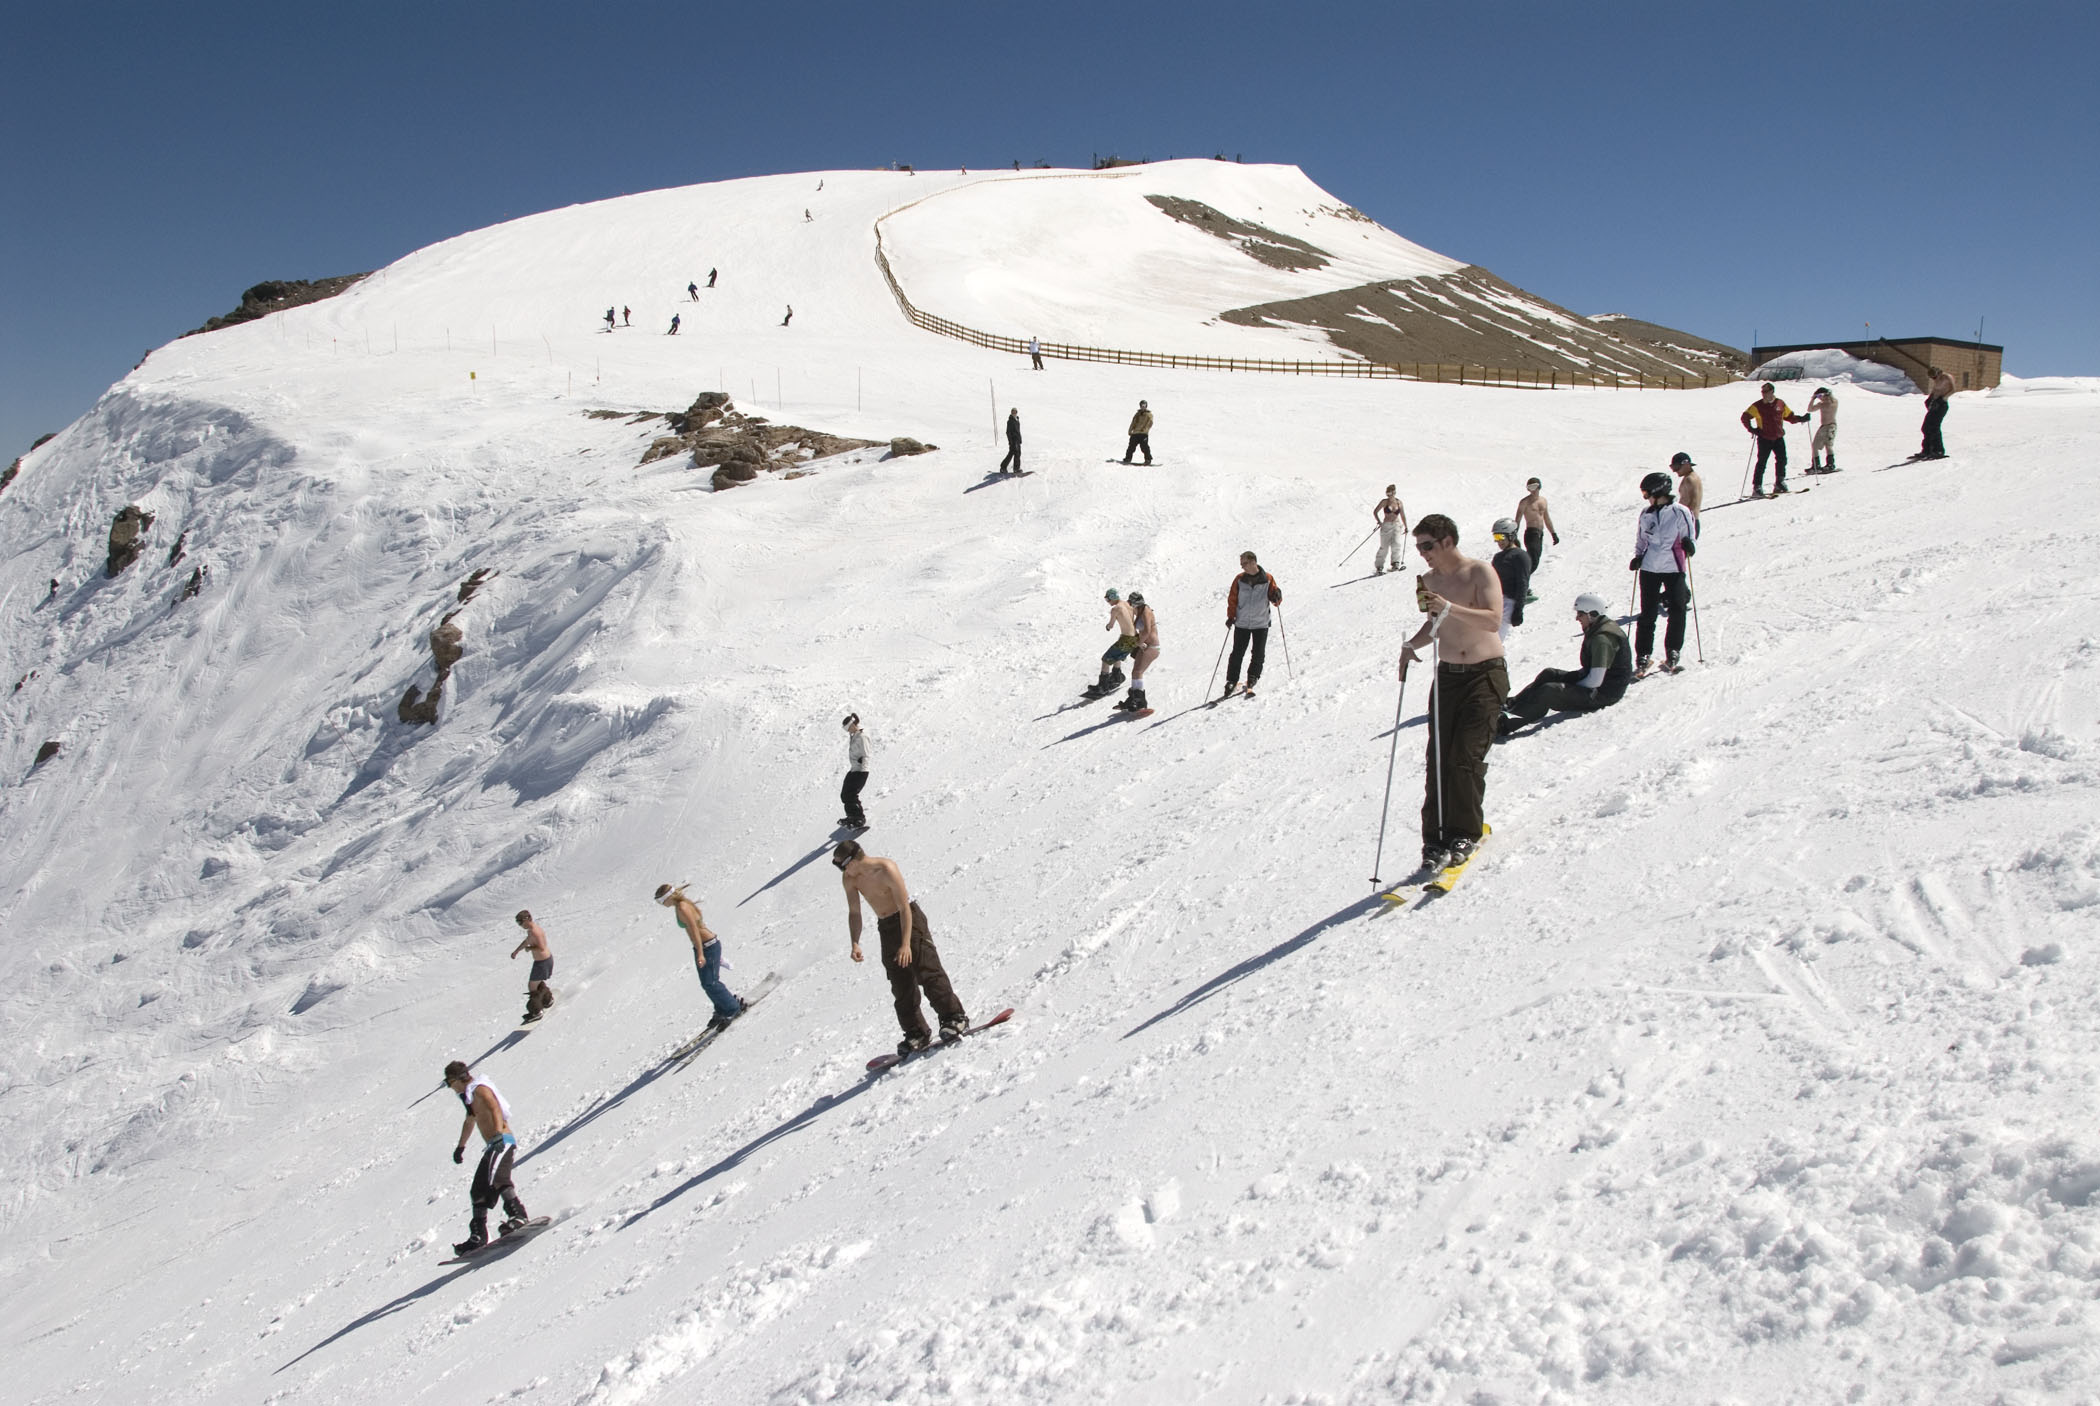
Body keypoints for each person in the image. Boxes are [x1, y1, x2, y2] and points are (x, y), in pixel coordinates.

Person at [1397, 514, 1506, 870]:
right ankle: (1436, 837)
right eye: (1418, 547)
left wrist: (1450, 608)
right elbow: (1434, 625)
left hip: (1484, 673)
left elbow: (1492, 619)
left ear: (1447, 541)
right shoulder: (1427, 580)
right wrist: (1411, 646)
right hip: (1447, 676)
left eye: (1427, 546)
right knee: (1438, 758)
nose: (1423, 553)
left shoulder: (1480, 572)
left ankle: (1465, 831)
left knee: (1465, 756)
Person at [833, 840, 968, 1054]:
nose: (842, 871)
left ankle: (954, 1017)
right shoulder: (850, 879)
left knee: (927, 970)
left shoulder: (886, 869)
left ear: (855, 859)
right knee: (899, 981)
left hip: (909, 919)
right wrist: (855, 941)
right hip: (886, 926)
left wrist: (906, 944)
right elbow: (855, 912)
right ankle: (916, 1032)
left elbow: (904, 907)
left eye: (843, 865)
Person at [1496, 594, 1633, 735]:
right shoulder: (1598, 627)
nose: (1577, 618)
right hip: (1598, 681)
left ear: (1592, 614)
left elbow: (1594, 681)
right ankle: (1512, 705)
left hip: (1605, 693)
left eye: (1580, 614)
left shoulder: (1602, 639)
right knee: (1549, 674)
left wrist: (1568, 688)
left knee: (1550, 691)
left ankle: (1505, 725)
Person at [443, 1060, 529, 1255]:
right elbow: (470, 1121)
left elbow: (495, 1108)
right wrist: (460, 1147)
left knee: (499, 1178)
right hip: (492, 1145)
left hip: (502, 1141)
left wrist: (498, 1133)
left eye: (449, 1083)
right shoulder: (469, 1096)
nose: (450, 1088)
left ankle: (518, 1215)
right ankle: (478, 1235)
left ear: (456, 1079)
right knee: (478, 1189)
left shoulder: (480, 1089)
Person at [1631, 471, 1697, 676]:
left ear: (1658, 491)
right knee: (1647, 613)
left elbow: (1690, 535)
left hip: (1673, 567)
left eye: (1647, 493)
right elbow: (1641, 539)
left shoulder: (1680, 512)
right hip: (1650, 568)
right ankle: (1643, 654)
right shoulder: (1646, 514)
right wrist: (1638, 556)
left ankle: (1673, 650)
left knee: (1677, 610)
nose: (1646, 497)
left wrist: (1689, 545)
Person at [655, 883, 745, 1029]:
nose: (661, 904)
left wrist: (701, 954)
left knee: (711, 982)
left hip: (707, 946)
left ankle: (732, 1008)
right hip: (704, 947)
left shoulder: (683, 907)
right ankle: (722, 1008)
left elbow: (695, 930)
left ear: (668, 898)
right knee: (707, 983)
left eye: (660, 901)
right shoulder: (681, 905)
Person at [1222, 551, 1282, 698]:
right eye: (1241, 564)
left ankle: (1253, 676)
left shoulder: (1267, 578)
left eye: (1245, 563)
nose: (1242, 567)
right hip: (1242, 622)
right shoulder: (1239, 579)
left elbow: (1275, 599)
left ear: (1253, 561)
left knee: (1258, 653)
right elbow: (1233, 599)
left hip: (1260, 622)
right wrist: (1231, 616)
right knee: (1237, 653)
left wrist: (1277, 596)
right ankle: (1231, 681)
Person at [1741, 381, 1808, 496]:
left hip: (1778, 437)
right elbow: (1745, 417)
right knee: (1762, 463)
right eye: (1762, 392)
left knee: (1782, 460)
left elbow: (1789, 417)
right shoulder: (1757, 406)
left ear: (1772, 392)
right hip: (1764, 438)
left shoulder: (1780, 404)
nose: (1763, 394)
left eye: (1766, 392)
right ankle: (1757, 487)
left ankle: (1780, 483)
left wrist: (1801, 419)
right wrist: (1751, 429)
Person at [1088, 588, 1137, 697]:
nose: (1108, 602)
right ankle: (1116, 676)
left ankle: (1103, 686)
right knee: (1117, 654)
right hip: (1134, 638)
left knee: (1106, 659)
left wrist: (1108, 626)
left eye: (1108, 599)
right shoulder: (1128, 604)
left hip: (1126, 639)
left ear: (1113, 597)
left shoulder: (1116, 609)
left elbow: (1111, 624)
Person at [510, 910, 555, 1023]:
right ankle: (547, 999)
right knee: (537, 983)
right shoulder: (531, 931)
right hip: (542, 962)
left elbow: (541, 948)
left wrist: (529, 949)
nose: (520, 925)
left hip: (543, 962)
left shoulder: (535, 932)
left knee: (532, 986)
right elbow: (527, 941)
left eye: (520, 923)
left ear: (526, 920)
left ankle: (536, 1011)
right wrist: (517, 951)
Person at [1490, 519, 1531, 641]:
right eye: (1495, 537)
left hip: (1509, 602)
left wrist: (1518, 609)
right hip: (1496, 601)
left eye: (1501, 536)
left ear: (1511, 536)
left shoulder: (1520, 556)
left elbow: (1522, 582)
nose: (1499, 541)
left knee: (1495, 639)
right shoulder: (1498, 557)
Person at [1118, 590, 1159, 713]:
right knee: (1135, 672)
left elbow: (1146, 631)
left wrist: (1140, 643)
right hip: (1144, 646)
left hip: (1151, 647)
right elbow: (1134, 629)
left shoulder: (1146, 611)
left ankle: (1140, 701)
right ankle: (1135, 698)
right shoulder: (1139, 612)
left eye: (1131, 602)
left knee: (1138, 671)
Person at [1514, 478, 1559, 573]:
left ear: (1539, 487)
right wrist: (1514, 535)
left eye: (1534, 487)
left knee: (1535, 560)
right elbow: (1518, 519)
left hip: (1540, 534)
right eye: (1530, 488)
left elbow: (1546, 518)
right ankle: (1519, 580)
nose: (1533, 490)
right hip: (1531, 533)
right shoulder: (1524, 502)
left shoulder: (1543, 501)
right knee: (1533, 559)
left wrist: (1553, 534)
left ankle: (1522, 580)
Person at [840, 713, 870, 829]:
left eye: (848, 729)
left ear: (852, 725)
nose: (848, 731)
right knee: (844, 795)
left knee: (851, 794)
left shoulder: (862, 737)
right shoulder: (854, 736)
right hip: (854, 769)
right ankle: (851, 816)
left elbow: (866, 753)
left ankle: (859, 818)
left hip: (861, 770)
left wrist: (862, 764)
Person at [1919, 366, 1955, 459]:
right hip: (1934, 404)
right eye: (1932, 378)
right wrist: (1930, 399)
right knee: (1925, 427)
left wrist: (1943, 399)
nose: (1933, 379)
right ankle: (1926, 450)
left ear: (1939, 373)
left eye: (1934, 377)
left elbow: (1953, 389)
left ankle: (1938, 450)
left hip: (1941, 405)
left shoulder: (1947, 377)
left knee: (1934, 427)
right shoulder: (1937, 381)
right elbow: (1935, 390)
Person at [1372, 485, 1409, 574]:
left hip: (1396, 525)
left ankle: (1395, 563)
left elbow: (1403, 515)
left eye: (1390, 493)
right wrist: (1379, 522)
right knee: (1384, 547)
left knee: (1396, 544)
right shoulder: (1384, 502)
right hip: (1386, 526)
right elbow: (1375, 511)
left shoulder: (1399, 502)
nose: (1388, 495)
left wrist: (1406, 526)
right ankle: (1379, 567)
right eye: (1387, 493)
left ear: (1394, 493)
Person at [1669, 452, 1704, 532]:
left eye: (1677, 467)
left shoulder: (1689, 480)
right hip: (1692, 521)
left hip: (1687, 523)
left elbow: (1688, 504)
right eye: (1673, 467)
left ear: (1686, 464)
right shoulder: (1694, 476)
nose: (1675, 471)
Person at [1806, 387, 1839, 472]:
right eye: (1818, 396)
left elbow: (1831, 401)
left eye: (1820, 395)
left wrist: (1826, 395)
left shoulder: (1832, 402)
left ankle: (1829, 464)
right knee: (1816, 446)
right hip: (1824, 427)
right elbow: (1810, 409)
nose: (1819, 397)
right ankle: (1818, 465)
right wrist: (1813, 399)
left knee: (1828, 445)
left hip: (1830, 426)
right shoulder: (1822, 404)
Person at [999, 408, 1022, 474]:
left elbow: (1018, 431)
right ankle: (1016, 469)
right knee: (1016, 454)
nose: (1014, 413)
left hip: (1017, 440)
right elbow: (1008, 432)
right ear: (1011, 412)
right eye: (1013, 412)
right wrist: (1010, 441)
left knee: (1012, 453)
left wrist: (1020, 439)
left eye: (1015, 412)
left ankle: (1003, 467)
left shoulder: (1017, 420)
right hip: (1013, 441)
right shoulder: (1010, 421)